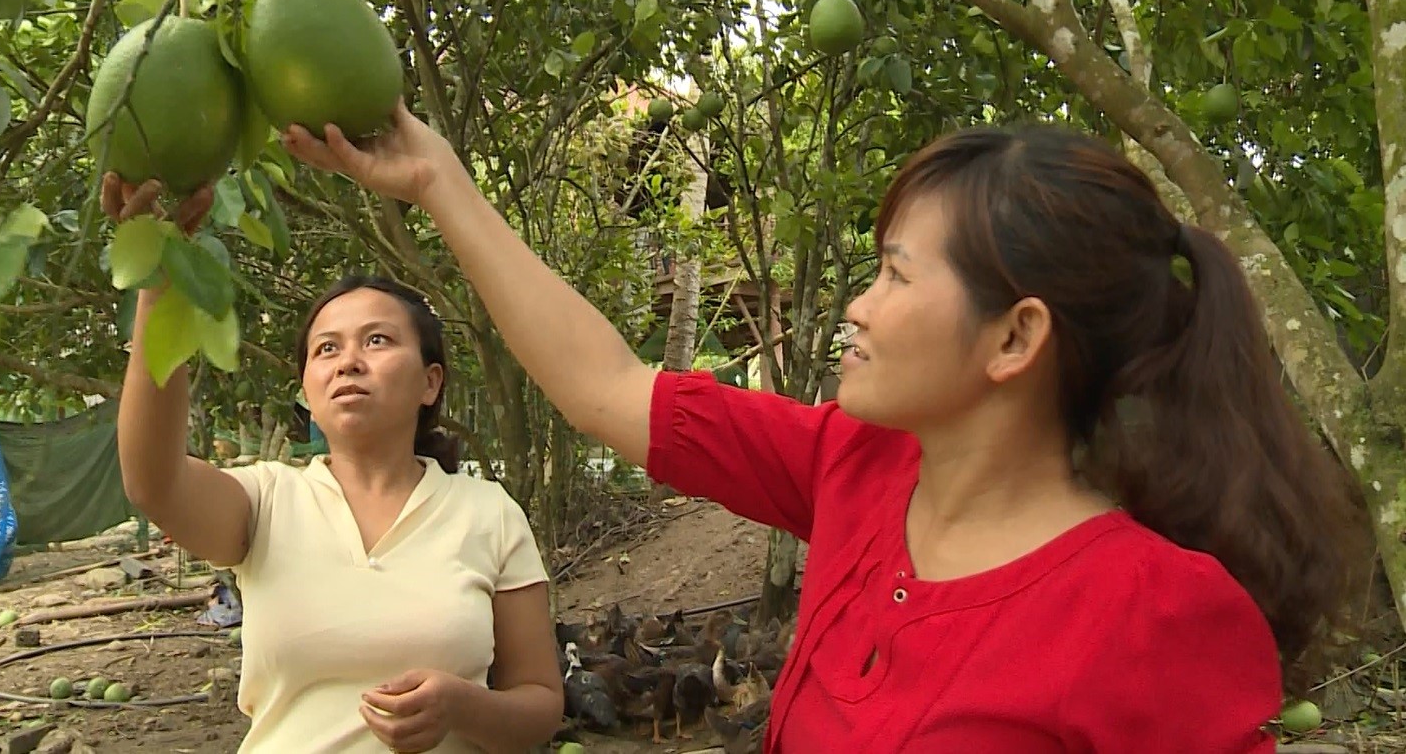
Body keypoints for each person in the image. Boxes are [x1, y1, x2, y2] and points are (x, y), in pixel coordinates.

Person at [276, 106, 1372, 753]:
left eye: (895, 273)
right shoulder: (858, 467)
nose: (856, 304)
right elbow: (604, 383)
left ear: (1014, 337)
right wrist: (439, 183)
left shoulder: (1156, 613)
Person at [101, 174, 564, 754]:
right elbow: (153, 481)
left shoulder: (489, 513)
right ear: (308, 388)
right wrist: (158, 279)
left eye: (377, 341)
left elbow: (540, 704)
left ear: (430, 382)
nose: (348, 361)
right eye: (327, 348)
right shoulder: (266, 501)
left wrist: (463, 707)